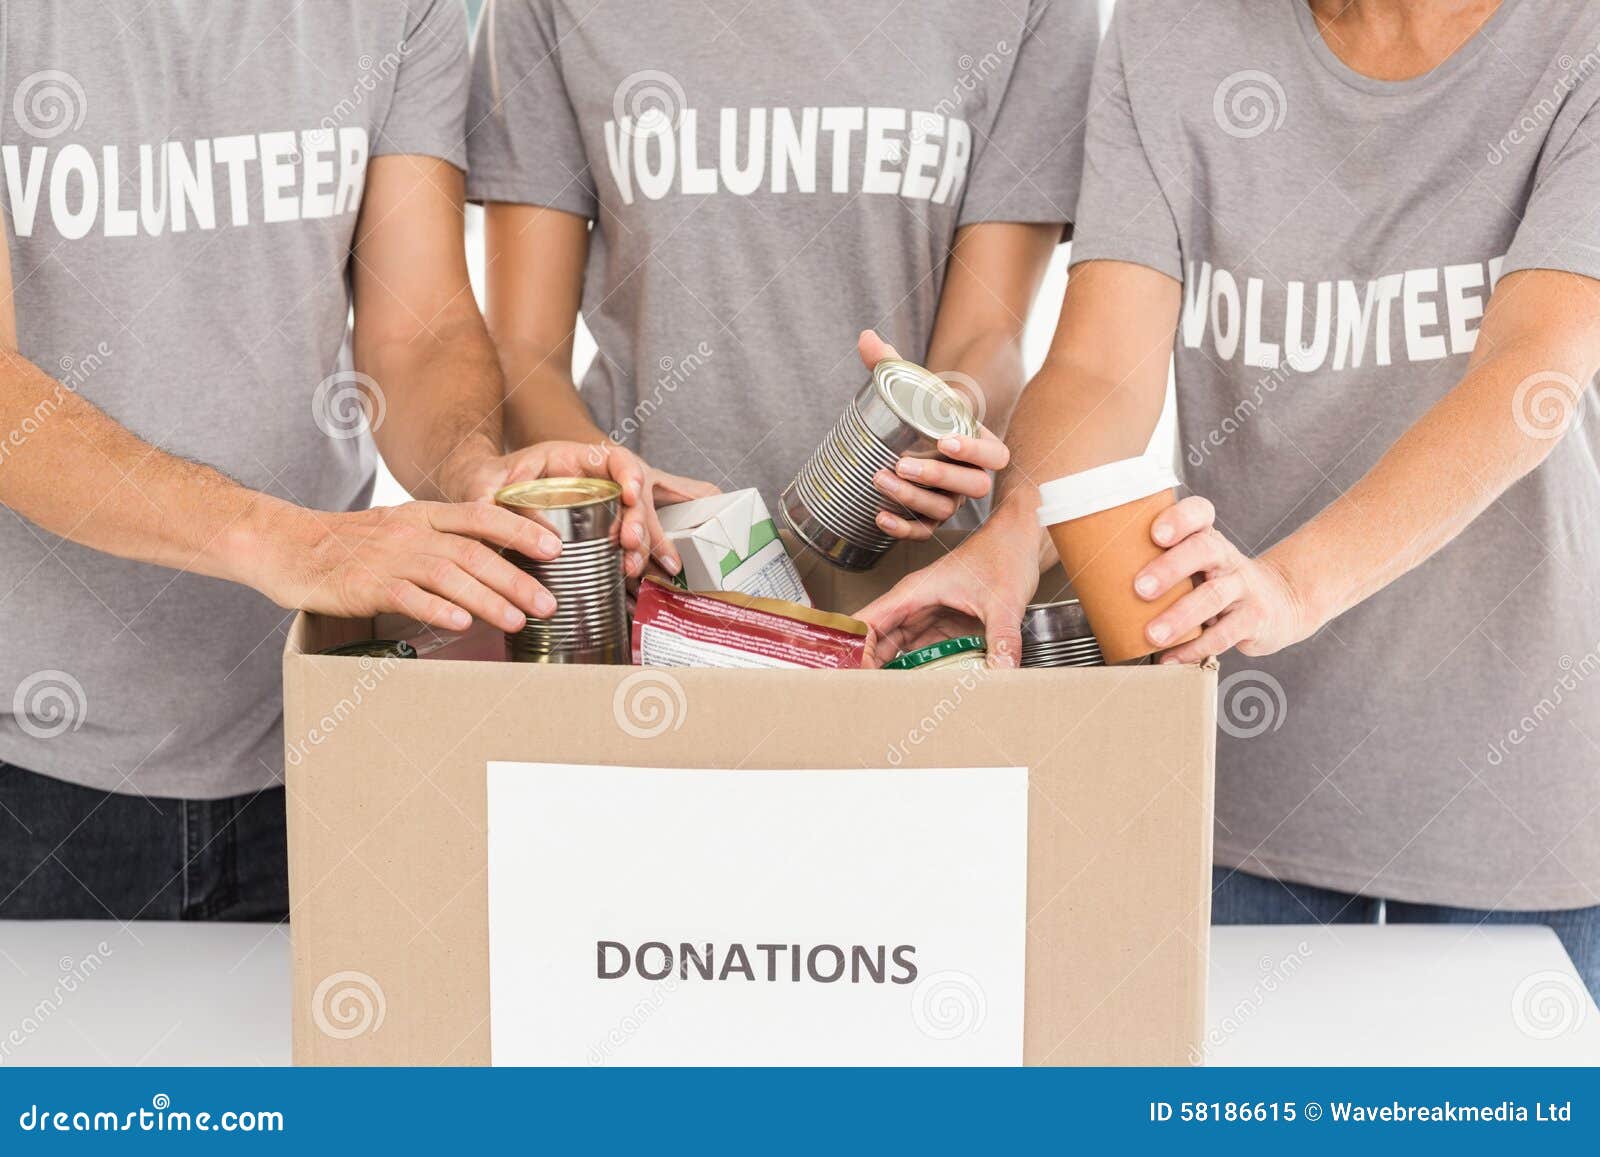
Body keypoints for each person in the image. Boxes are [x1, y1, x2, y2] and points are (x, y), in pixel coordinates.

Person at [861, 0, 1600, 995]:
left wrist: (1288, 585)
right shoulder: (1170, 34)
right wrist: (1015, 531)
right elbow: (1098, 367)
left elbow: (1530, 374)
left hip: (1520, 802)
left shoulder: (1576, 42)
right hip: (1239, 795)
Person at [0, 1, 666, 921]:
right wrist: (293, 543)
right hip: (36, 767)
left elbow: (418, 330)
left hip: (320, 735)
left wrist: (474, 468)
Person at [465, 0, 1102, 543]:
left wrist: (948, 418)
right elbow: (522, 350)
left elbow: (988, 335)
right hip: (645, 574)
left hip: (911, 584)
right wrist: (612, 484)